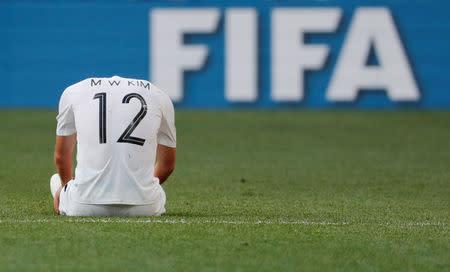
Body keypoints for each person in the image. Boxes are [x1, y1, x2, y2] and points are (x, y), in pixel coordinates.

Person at [50, 75, 176, 216]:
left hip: (83, 205)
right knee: (152, 189)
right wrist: (140, 188)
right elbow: (167, 166)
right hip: (147, 207)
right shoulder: (159, 96)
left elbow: (62, 156)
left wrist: (66, 190)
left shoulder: (73, 92)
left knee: (55, 180)